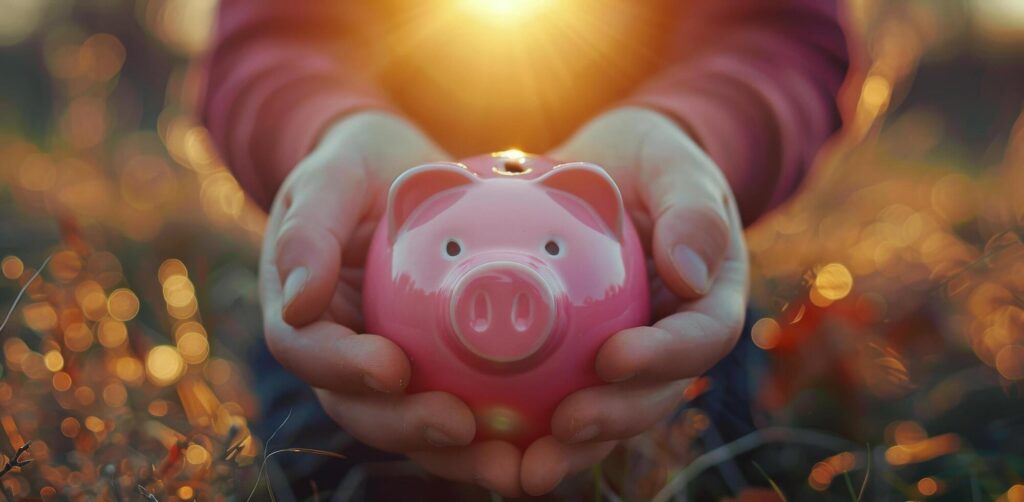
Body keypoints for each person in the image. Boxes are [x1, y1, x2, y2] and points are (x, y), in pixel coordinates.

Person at [201, 1, 849, 498]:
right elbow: (272, 36)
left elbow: (782, 30)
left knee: (709, 450)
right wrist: (326, 134)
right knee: (321, 459)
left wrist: (694, 136)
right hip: (355, 268)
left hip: (653, 278)